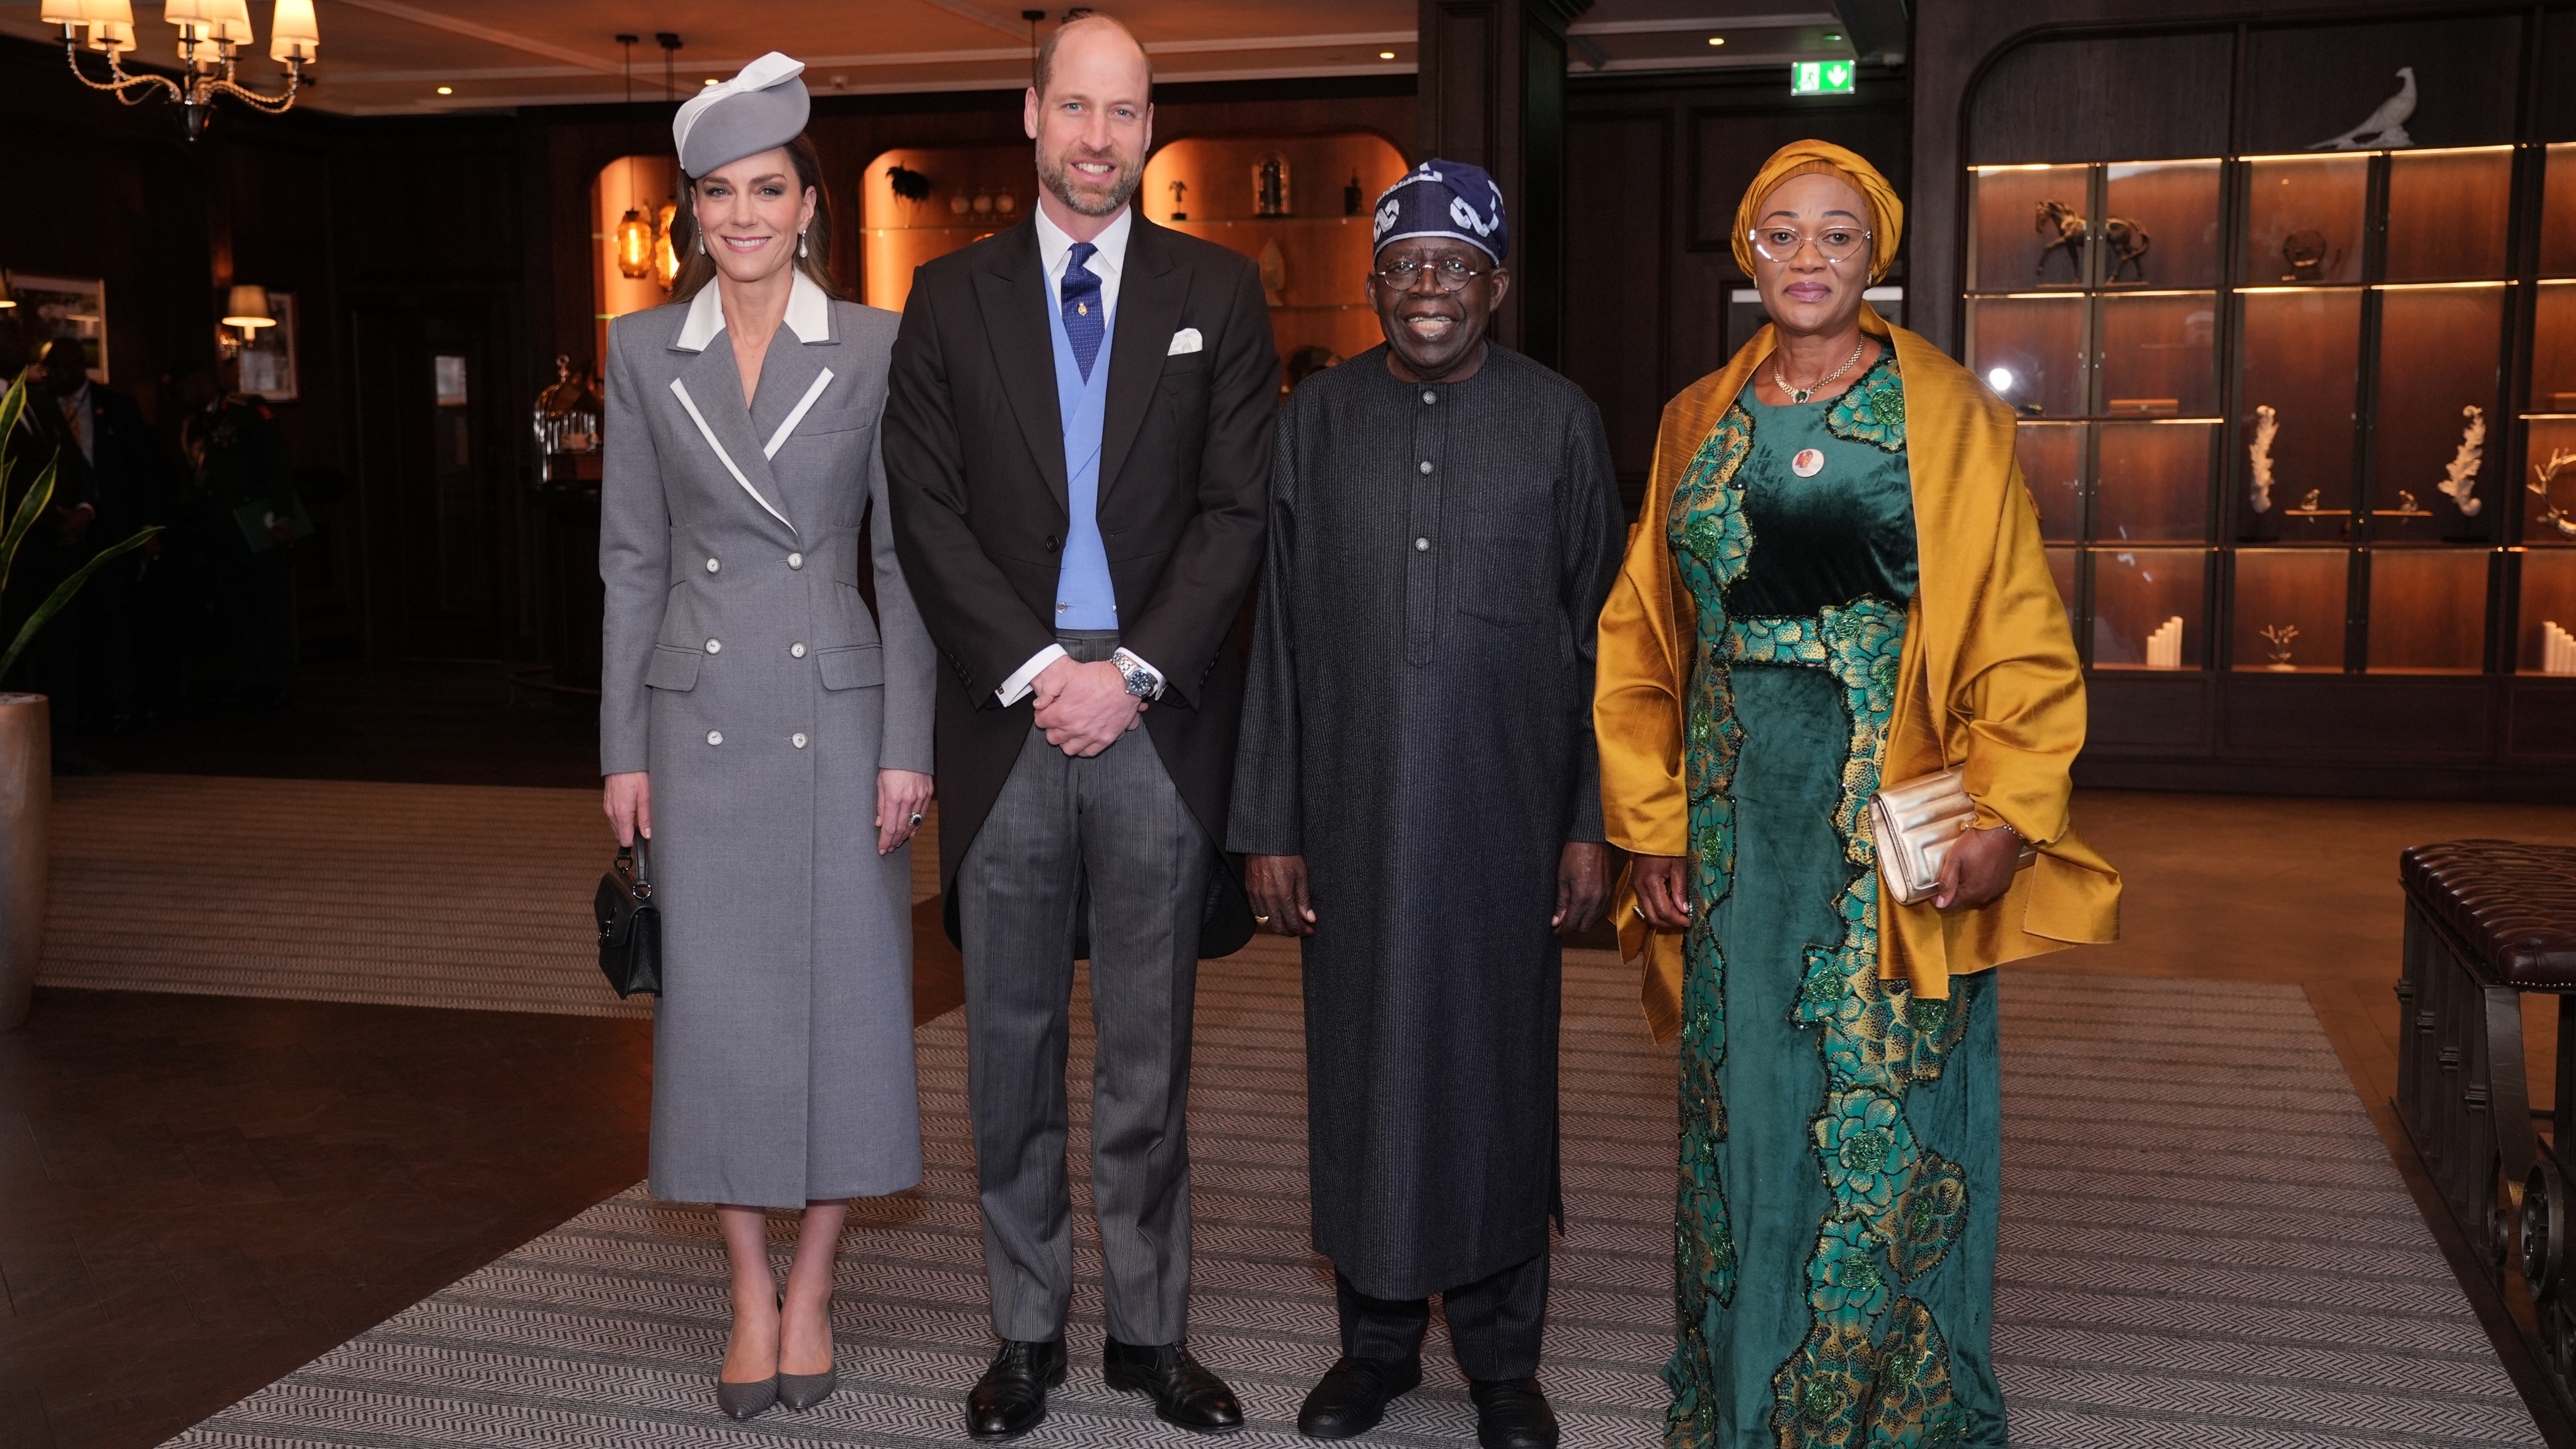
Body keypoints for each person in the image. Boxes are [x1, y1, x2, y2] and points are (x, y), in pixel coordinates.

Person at [1592, 141, 2121, 1448]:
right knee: (1744, 1110)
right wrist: (1651, 819)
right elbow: (1643, 632)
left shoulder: (1942, 412)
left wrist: (2008, 807)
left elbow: (2010, 619)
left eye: (1837, 234)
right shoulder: (1691, 418)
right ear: (1747, 252)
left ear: (1873, 256)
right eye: (1782, 232)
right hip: (1727, 830)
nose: (1809, 257)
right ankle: (1736, 1393)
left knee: (1875, 1115)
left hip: (1886, 824)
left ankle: (1873, 1408)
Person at [883, 13, 1274, 1440]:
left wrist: (1138, 669)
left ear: (1150, 124)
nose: (1101, 137)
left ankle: (1151, 1333)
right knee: (1010, 1050)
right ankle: (1027, 1331)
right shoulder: (948, 297)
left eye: (1127, 112)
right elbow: (923, 512)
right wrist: (1046, 668)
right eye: (1078, 109)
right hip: (1010, 719)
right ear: (1032, 113)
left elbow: (1239, 512)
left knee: (1151, 1058)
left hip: (1157, 724)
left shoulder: (1218, 293)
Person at [1229, 159, 1621, 1449]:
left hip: (1508, 825)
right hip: (1346, 816)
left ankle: (1505, 1362)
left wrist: (1590, 819)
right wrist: (1269, 821)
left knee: (1497, 1076)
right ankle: (1377, 1347)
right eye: (1407, 267)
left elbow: (1605, 642)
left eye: (1457, 267)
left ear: (1496, 287)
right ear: (1373, 285)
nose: (1431, 289)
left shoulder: (1559, 421)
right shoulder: (1316, 421)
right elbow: (1276, 639)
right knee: (1362, 1075)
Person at [597, 52, 937, 1423]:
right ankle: (747, 1290)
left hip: (839, 712)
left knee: (848, 1013)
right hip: (696, 718)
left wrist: (908, 740)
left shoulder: (874, 345)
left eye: (769, 190)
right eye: (718, 194)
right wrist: (621, 745)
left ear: (810, 207)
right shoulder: (642, 352)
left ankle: (815, 1282)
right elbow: (630, 559)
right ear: (691, 213)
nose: (743, 215)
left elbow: (906, 561)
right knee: (720, 1019)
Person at [36, 337, 167, 734]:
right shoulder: (40, 406)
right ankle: (82, 705)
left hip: (113, 526)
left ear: (80, 367)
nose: (56, 376)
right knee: (72, 622)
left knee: (115, 616)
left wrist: (148, 527)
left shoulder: (118, 406)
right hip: (61, 526)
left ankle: (123, 704)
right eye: (50, 369)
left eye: (63, 368)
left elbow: (143, 470)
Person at [175, 353, 299, 707]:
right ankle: (252, 678)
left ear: (202, 382)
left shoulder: (246, 410)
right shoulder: (195, 425)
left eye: (185, 388)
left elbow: (276, 463)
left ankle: (279, 679)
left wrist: (282, 516)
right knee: (236, 607)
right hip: (218, 532)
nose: (182, 398)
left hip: (256, 526)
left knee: (267, 605)